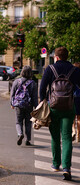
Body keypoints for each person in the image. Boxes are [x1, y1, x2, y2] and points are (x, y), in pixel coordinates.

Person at [40, 47, 80, 181]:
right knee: (67, 137)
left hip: (53, 107)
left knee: (55, 136)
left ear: (56, 57)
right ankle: (67, 168)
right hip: (69, 107)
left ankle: (56, 164)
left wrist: (42, 102)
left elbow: (42, 87)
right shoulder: (75, 70)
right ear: (67, 56)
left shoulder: (50, 69)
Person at [10, 66, 38, 146]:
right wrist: (36, 107)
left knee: (18, 121)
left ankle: (20, 134)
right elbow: (34, 97)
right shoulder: (33, 83)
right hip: (29, 105)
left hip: (18, 105)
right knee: (28, 123)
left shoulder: (16, 81)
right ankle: (27, 140)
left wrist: (12, 104)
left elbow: (12, 94)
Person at [72, 62, 80, 142]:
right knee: (79, 118)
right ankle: (78, 135)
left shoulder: (72, 76)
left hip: (73, 97)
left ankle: (73, 131)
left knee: (73, 117)